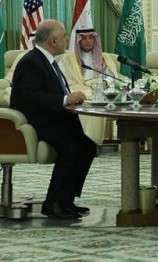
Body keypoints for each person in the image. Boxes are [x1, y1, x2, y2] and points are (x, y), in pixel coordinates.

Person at [10, 20, 95, 219]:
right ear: (53, 41)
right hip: (35, 123)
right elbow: (30, 98)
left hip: (53, 118)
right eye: (64, 36)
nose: (67, 39)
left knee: (88, 145)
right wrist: (65, 99)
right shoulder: (31, 62)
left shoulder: (48, 60)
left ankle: (66, 200)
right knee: (71, 146)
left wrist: (70, 102)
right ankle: (53, 204)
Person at [58, 28, 119, 145]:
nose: (88, 41)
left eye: (91, 37)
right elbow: (62, 79)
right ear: (78, 41)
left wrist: (103, 83)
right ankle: (82, 140)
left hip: (98, 90)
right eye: (84, 38)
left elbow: (111, 77)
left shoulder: (104, 58)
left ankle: (91, 141)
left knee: (96, 97)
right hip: (77, 91)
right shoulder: (67, 59)